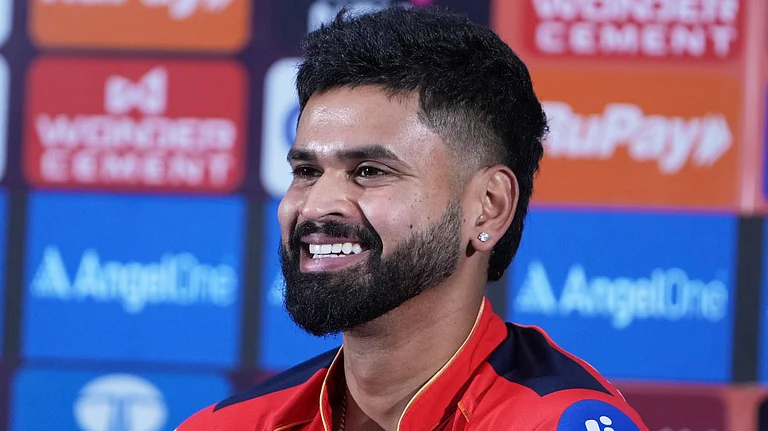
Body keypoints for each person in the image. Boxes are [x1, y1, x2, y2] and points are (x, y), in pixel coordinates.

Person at [177, 5, 648, 431]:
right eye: (306, 171)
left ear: (489, 205)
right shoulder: (227, 425)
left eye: (369, 172)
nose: (317, 205)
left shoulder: (553, 422)